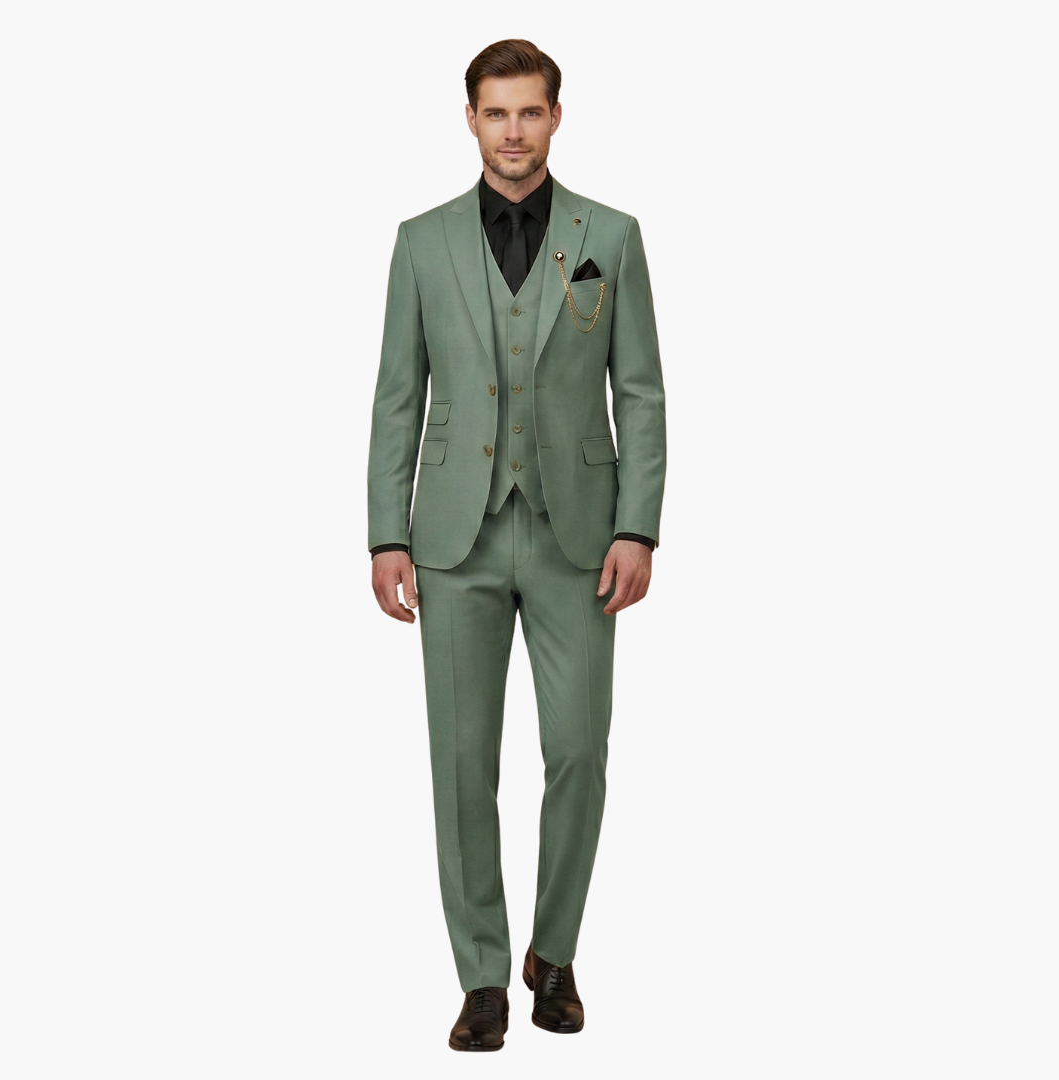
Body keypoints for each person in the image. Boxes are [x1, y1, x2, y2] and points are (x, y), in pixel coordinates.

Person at [367, 39, 666, 1052]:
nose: (513, 132)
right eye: (495, 113)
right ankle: (483, 977)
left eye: (530, 112)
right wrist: (387, 532)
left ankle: (556, 953)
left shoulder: (610, 237)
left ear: (556, 117)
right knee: (462, 764)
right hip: (453, 537)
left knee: (578, 749)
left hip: (579, 535)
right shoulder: (421, 243)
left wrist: (637, 525)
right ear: (470, 119)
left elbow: (641, 393)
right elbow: (398, 396)